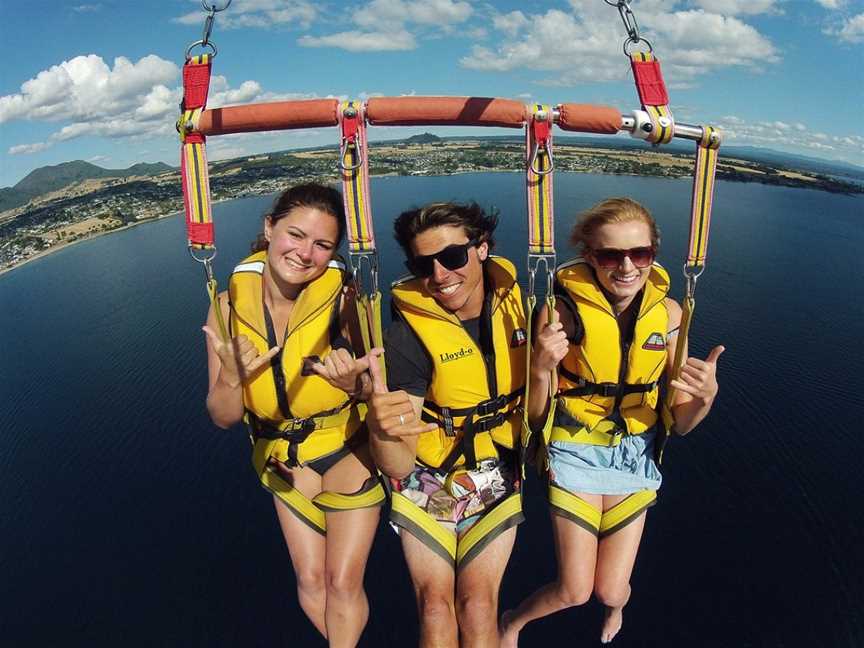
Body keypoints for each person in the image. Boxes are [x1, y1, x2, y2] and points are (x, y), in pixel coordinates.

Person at [500, 197, 724, 646]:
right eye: (610, 255)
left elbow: (679, 425)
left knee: (612, 589)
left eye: (639, 254)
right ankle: (513, 622)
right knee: (574, 591)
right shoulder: (561, 313)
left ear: (652, 255)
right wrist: (541, 369)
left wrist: (705, 399)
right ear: (589, 256)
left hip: (634, 454)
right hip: (574, 448)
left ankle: (617, 607)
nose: (626, 267)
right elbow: (537, 416)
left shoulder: (670, 317)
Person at [202, 183, 385, 648]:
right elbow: (223, 417)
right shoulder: (226, 308)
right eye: (295, 235)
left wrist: (355, 386)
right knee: (310, 584)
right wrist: (231, 377)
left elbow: (374, 389)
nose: (305, 254)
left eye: (323, 244)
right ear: (269, 228)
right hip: (284, 455)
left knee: (342, 583)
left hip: (349, 447)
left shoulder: (346, 299)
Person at [365, 202, 527, 648]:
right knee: (436, 608)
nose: (439, 275)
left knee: (476, 607)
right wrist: (382, 426)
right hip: (427, 475)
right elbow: (397, 465)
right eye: (424, 265)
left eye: (453, 258)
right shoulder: (407, 336)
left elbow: (537, 413)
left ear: (482, 250)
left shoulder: (521, 311)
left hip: (494, 471)